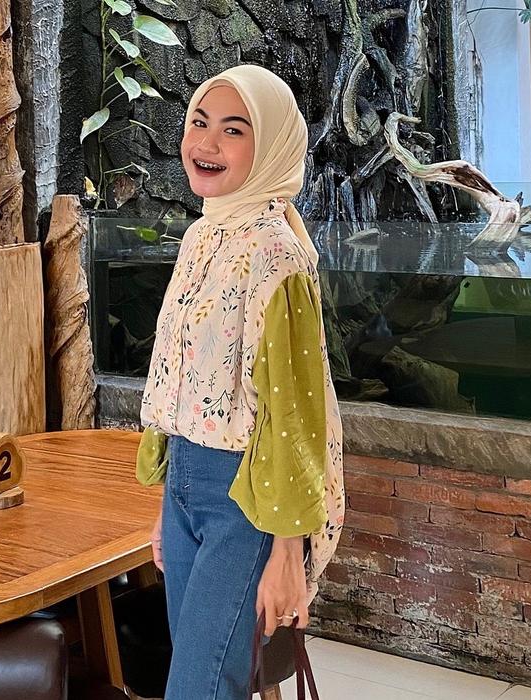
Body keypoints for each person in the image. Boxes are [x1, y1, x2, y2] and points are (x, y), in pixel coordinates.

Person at [136, 64, 345, 700]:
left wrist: (286, 550)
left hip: (245, 498)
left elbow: (294, 416)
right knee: (198, 679)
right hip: (186, 485)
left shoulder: (277, 255)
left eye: (233, 130)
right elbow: (179, 381)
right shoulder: (203, 235)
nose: (206, 142)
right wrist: (169, 505)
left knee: (199, 688)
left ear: (271, 147)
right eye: (200, 122)